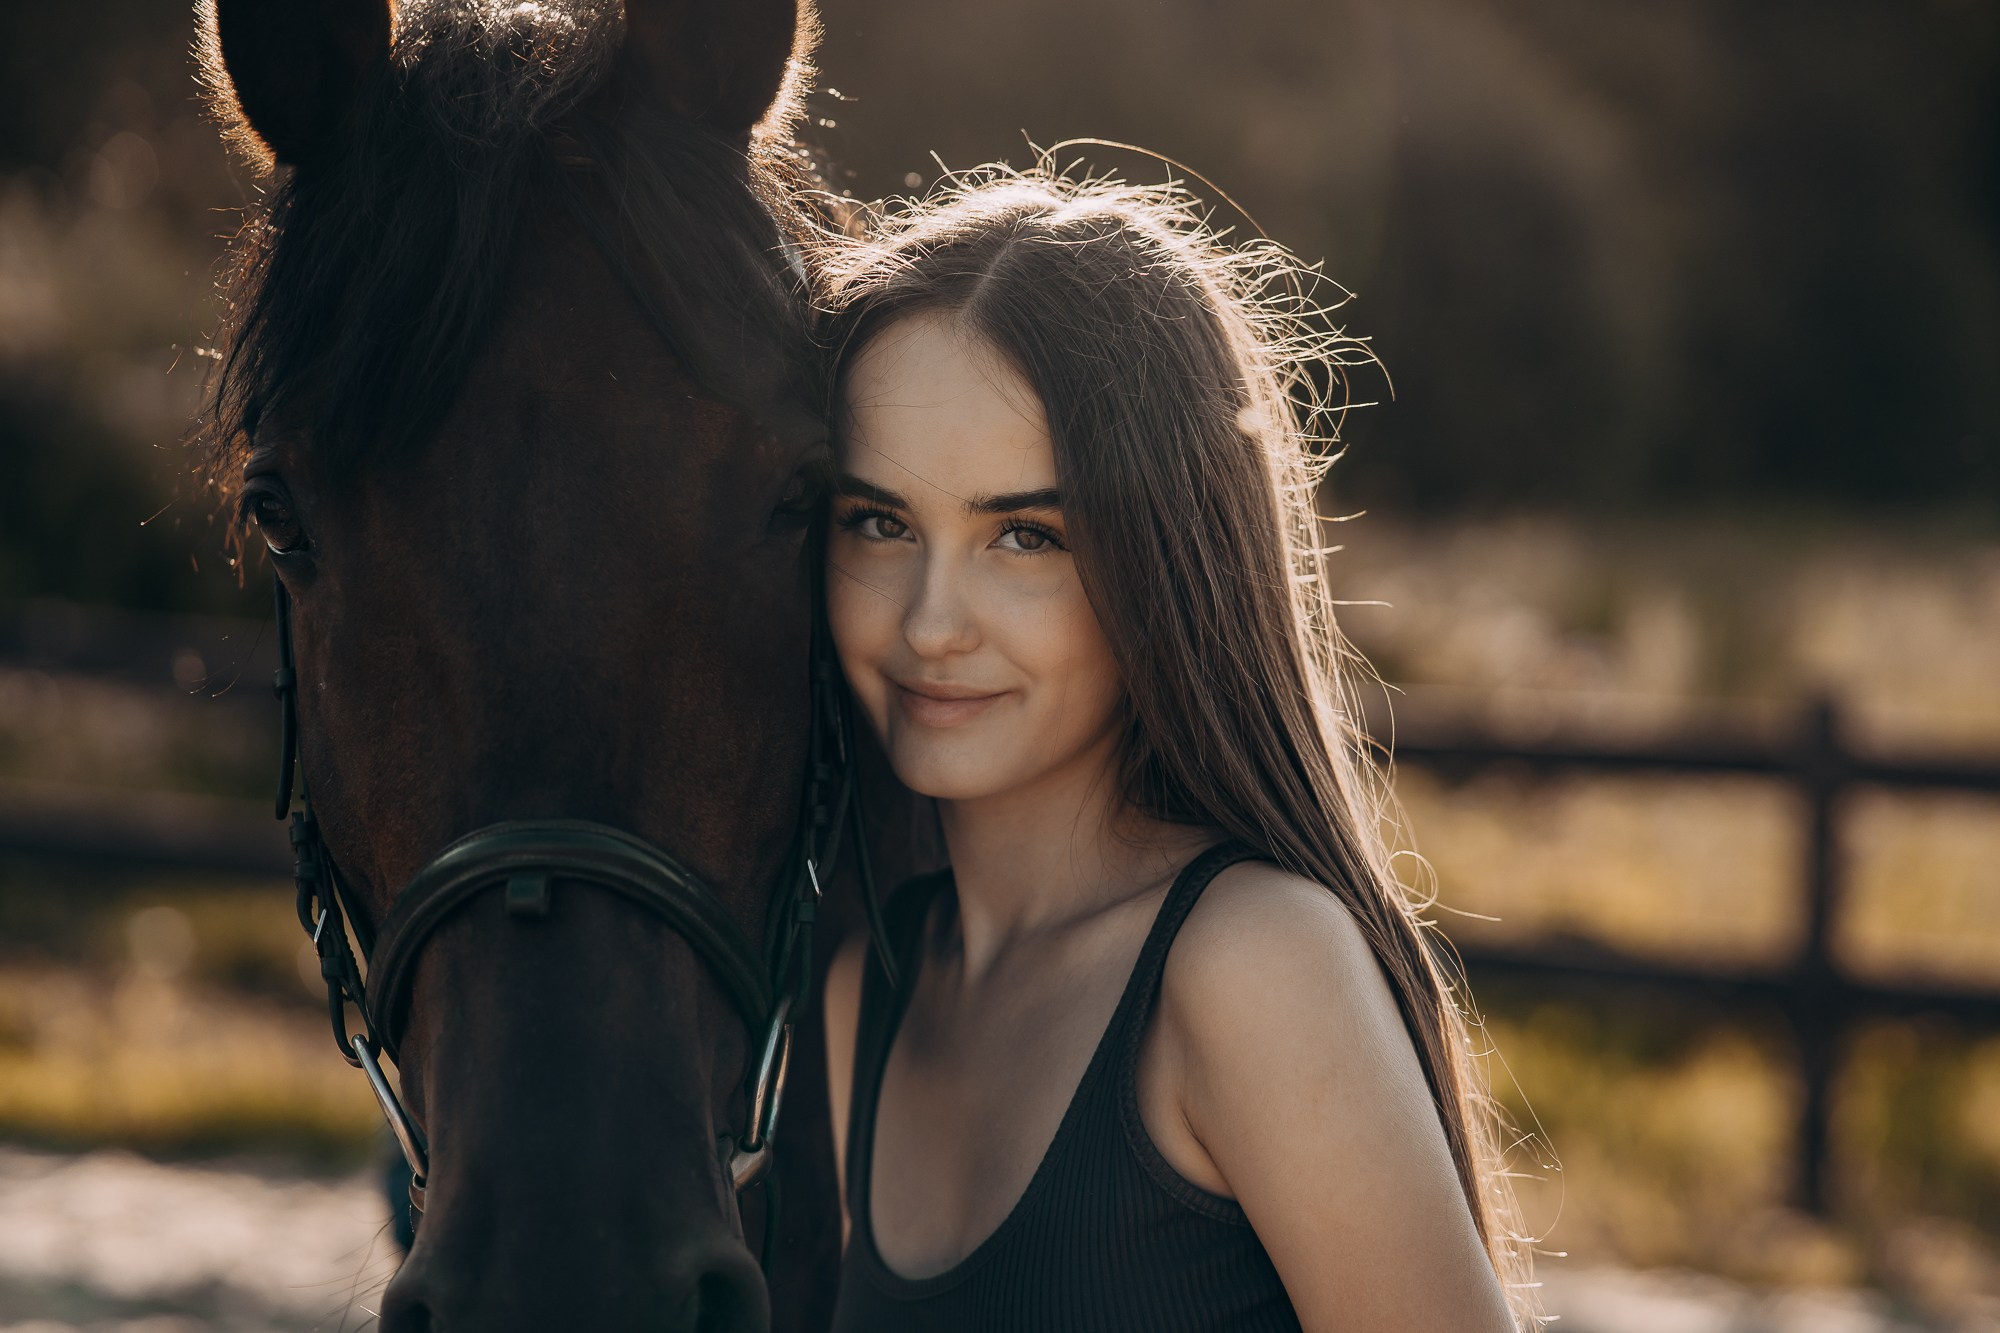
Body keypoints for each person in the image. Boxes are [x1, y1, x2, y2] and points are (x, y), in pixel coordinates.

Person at [814, 163, 1542, 1331]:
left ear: (1162, 560)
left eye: (1025, 535)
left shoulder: (1251, 965)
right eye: (878, 522)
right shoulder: (865, 995)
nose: (929, 624)